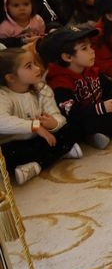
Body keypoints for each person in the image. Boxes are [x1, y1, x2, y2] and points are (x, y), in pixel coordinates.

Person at [39, 24, 112, 148]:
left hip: (101, 110)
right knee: (87, 125)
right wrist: (100, 108)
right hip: (84, 119)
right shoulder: (59, 83)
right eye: (84, 48)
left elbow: (108, 87)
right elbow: (72, 114)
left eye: (91, 46)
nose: (92, 51)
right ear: (67, 57)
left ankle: (95, 135)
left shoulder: (90, 69)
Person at [0, 46, 82, 185]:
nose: (37, 68)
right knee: (7, 156)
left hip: (42, 139)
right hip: (14, 145)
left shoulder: (42, 89)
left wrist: (53, 124)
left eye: (35, 63)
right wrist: (34, 126)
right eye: (29, 66)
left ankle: (37, 164)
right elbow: (2, 121)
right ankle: (58, 153)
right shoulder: (3, 95)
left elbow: (57, 116)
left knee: (72, 129)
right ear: (11, 78)